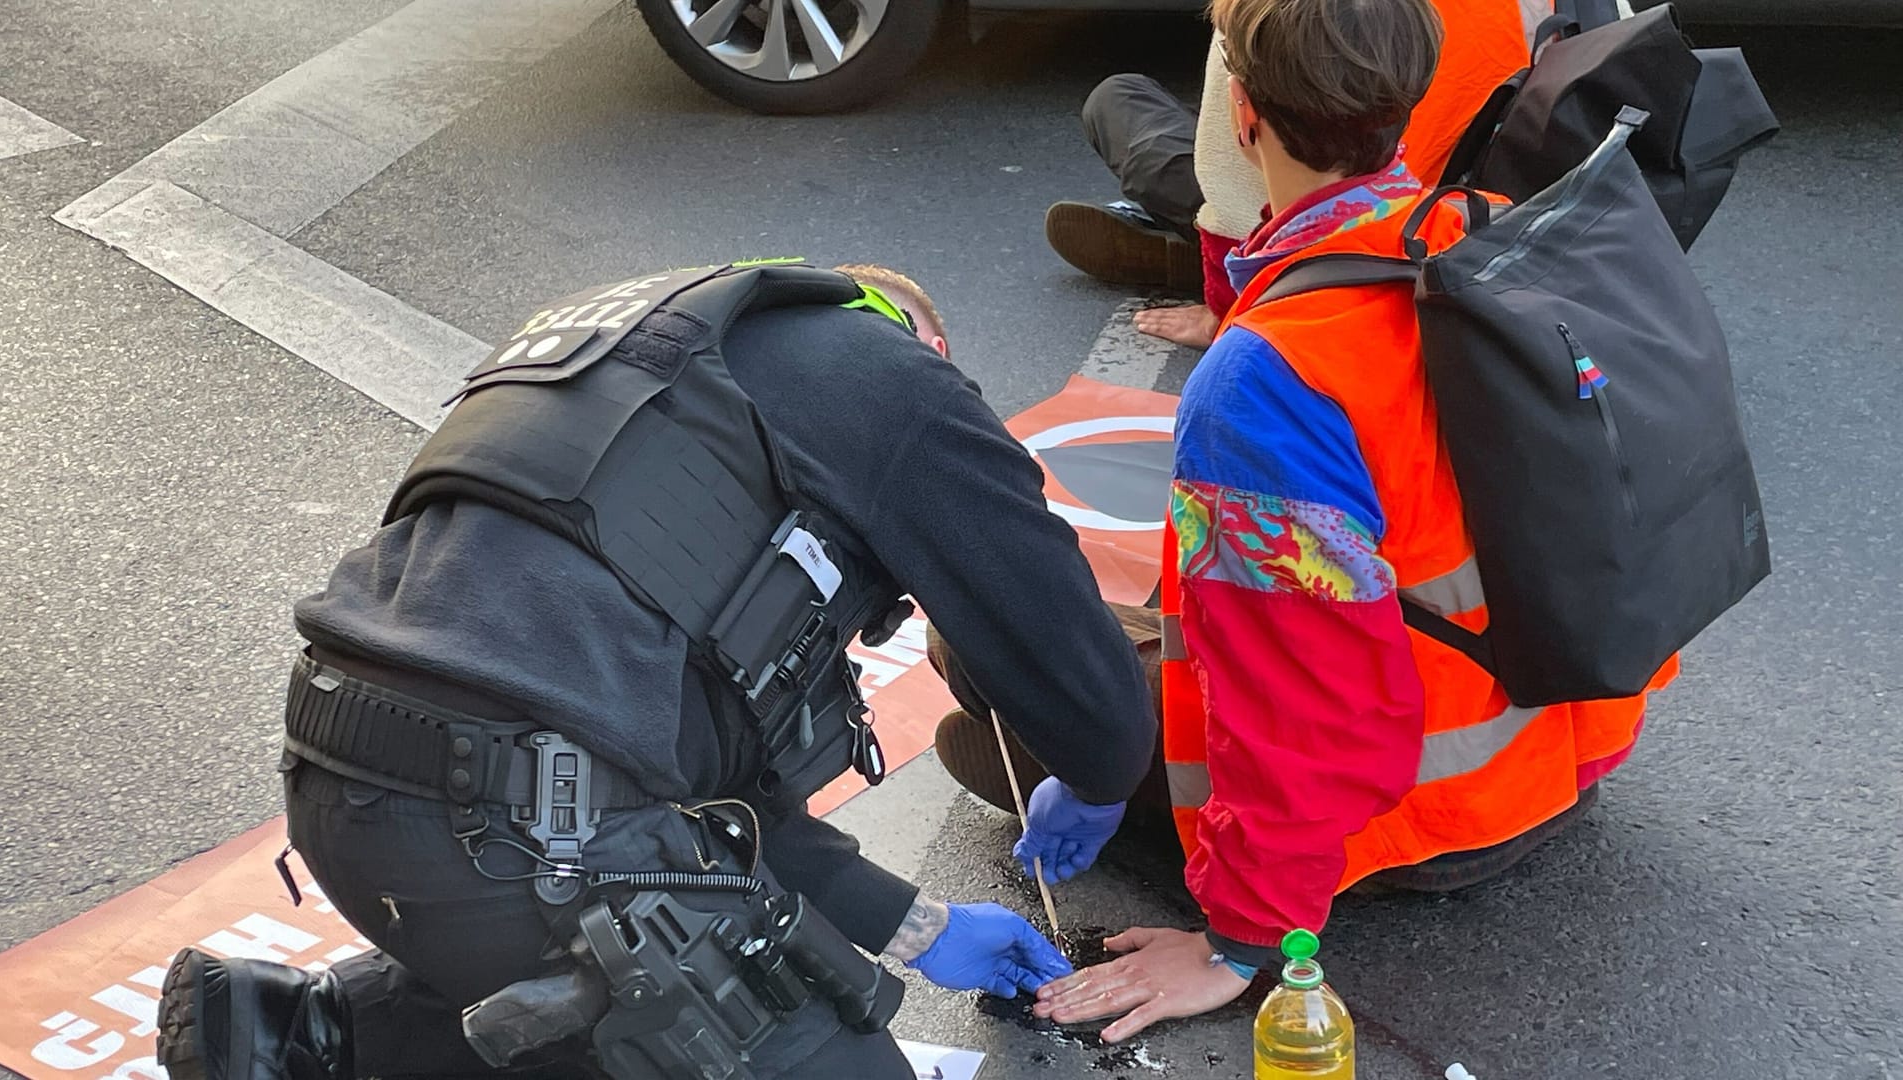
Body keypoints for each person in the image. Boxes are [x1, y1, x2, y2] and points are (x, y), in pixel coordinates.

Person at [153, 262, 1159, 1080]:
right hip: (530, 822)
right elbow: (1081, 671)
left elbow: (712, 808)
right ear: (927, 347)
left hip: (347, 784)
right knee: (740, 1013)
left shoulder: (650, 367)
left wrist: (920, 927)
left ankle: (313, 1035)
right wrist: (1103, 775)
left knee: (565, 954)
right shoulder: (899, 381)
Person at [939, 0, 1674, 1043]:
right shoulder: (1493, 236)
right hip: (1563, 746)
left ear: (1241, 113)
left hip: (1419, 820)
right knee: (1046, 666)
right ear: (1412, 98)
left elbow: (1306, 700)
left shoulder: (1271, 373)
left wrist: (1243, 939)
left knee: (975, 671)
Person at [1046, 0, 1543, 348]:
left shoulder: (1259, 363)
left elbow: (1231, 186)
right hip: (1451, 203)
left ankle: (1229, 266)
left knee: (1119, 99)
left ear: (1243, 111)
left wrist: (1225, 316)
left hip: (1309, 216)